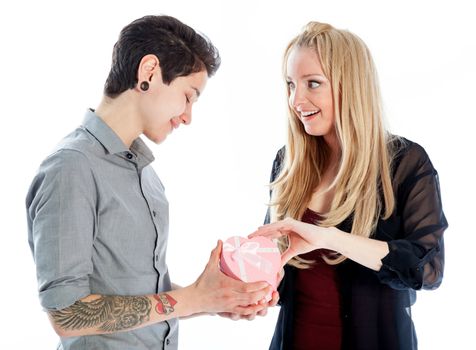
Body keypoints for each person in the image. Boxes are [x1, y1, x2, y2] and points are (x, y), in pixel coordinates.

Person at [26, 15, 276, 350]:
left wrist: (215, 299)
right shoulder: (72, 167)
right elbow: (67, 312)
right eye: (188, 96)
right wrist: (193, 299)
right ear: (149, 73)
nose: (188, 116)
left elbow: (134, 296)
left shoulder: (147, 176)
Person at [250, 21, 447, 350]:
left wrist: (329, 238)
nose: (296, 100)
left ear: (350, 86)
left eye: (313, 83)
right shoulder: (288, 162)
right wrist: (253, 280)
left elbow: (427, 269)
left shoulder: (404, 163)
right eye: (290, 84)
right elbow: (282, 275)